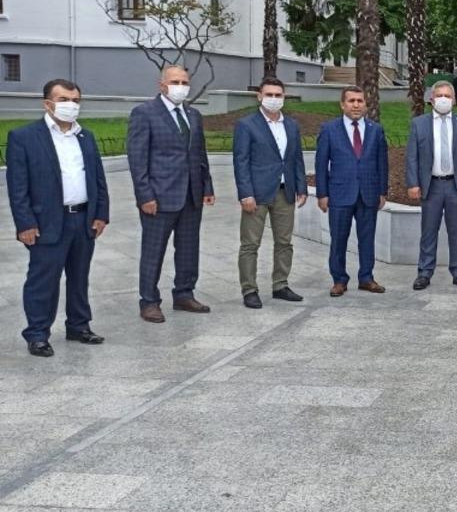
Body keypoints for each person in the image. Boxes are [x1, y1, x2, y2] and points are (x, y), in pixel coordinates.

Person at [5, 80, 109, 357]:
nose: (71, 105)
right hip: (47, 222)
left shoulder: (85, 137)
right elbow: (18, 187)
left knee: (79, 276)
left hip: (83, 218)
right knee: (43, 279)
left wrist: (101, 214)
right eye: (64, 99)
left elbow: (98, 179)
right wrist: (25, 223)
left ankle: (79, 325)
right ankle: (38, 333)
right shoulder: (24, 137)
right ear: (47, 104)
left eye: (75, 100)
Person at [127, 65, 215, 323]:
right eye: (175, 81)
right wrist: (145, 196)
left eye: (184, 82)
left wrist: (206, 187)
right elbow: (137, 159)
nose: (181, 86)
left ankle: (184, 293)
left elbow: (200, 154)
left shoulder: (193, 114)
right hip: (159, 197)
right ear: (162, 85)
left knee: (188, 249)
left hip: (191, 195)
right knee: (153, 251)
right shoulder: (144, 113)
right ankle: (149, 301)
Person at [232, 78, 308, 310]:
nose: (274, 99)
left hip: (285, 192)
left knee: (284, 242)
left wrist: (302, 187)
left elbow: (296, 158)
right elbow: (241, 161)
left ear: (284, 97)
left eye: (278, 95)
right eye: (270, 94)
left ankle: (280, 285)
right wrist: (245, 194)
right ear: (259, 96)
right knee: (250, 244)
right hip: (256, 193)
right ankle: (249, 289)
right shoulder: (246, 125)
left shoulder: (292, 125)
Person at [315, 86, 390, 297]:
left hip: (368, 193)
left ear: (366, 105)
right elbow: (321, 164)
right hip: (339, 194)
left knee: (367, 238)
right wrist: (322, 194)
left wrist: (382, 191)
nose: (356, 105)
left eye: (360, 101)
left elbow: (382, 163)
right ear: (342, 104)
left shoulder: (376, 130)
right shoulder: (329, 129)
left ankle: (366, 277)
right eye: (351, 101)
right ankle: (339, 279)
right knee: (338, 238)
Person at [406, 81, 457, 291]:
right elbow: (412, 156)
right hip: (432, 186)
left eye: (448, 96)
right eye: (439, 95)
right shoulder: (419, 124)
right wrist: (413, 183)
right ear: (431, 99)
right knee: (428, 231)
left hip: (456, 186)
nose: (443, 99)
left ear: (454, 100)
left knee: (456, 231)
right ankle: (424, 272)